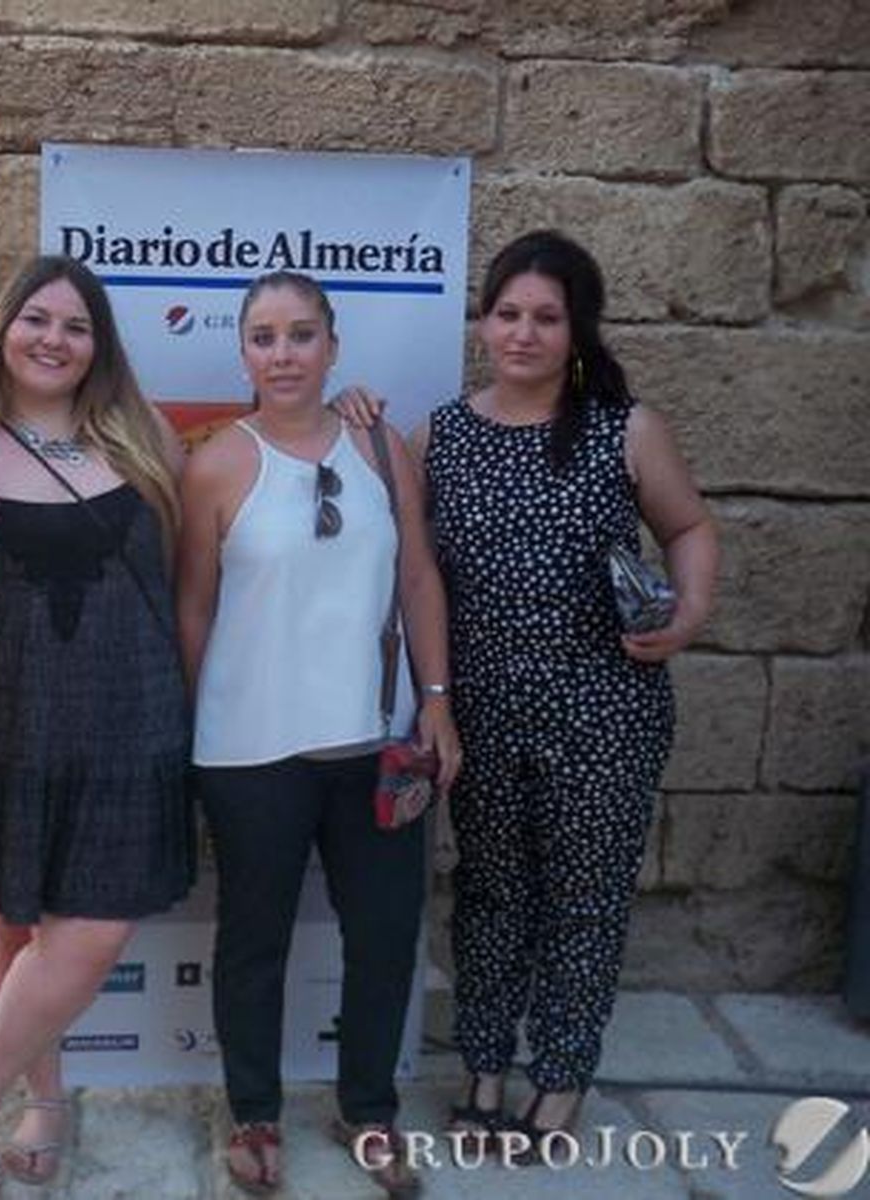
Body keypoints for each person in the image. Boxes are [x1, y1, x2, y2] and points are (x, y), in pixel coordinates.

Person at [341, 229, 718, 1159]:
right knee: (490, 893)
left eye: (546, 317)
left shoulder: (624, 429)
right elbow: (407, 561)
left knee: (585, 897)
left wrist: (691, 614)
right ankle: (482, 1066)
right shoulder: (445, 433)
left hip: (606, 712)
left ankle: (560, 1076)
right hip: (482, 712)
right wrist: (354, 421)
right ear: (483, 320)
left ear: (576, 329)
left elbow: (690, 526)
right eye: (507, 313)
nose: (523, 333)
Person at [176, 270, 461, 1197]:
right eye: (264, 336)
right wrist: (185, 734)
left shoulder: (381, 444)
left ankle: (368, 1110)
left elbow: (418, 576)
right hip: (249, 750)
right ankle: (254, 1112)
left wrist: (436, 699)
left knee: (383, 936)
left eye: (302, 335)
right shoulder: (215, 463)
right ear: (244, 351)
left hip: (373, 742)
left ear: (333, 345)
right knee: (254, 938)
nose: (284, 353)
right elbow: (194, 611)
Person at [0, 255, 194, 1198]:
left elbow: (190, 570)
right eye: (36, 319)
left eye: (76, 326)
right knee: (16, 914)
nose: (54, 339)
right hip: (6, 714)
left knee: (92, 934)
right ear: (3, 330)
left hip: (133, 715)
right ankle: (48, 1097)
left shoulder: (144, 437)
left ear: (99, 346)